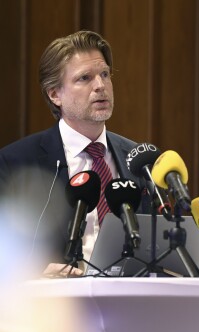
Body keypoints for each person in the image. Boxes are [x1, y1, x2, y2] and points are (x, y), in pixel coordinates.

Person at [0, 30, 148, 278]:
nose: (100, 86)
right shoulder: (15, 163)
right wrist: (32, 275)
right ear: (55, 94)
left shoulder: (139, 159)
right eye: (84, 78)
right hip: (56, 308)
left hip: (130, 303)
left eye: (104, 74)